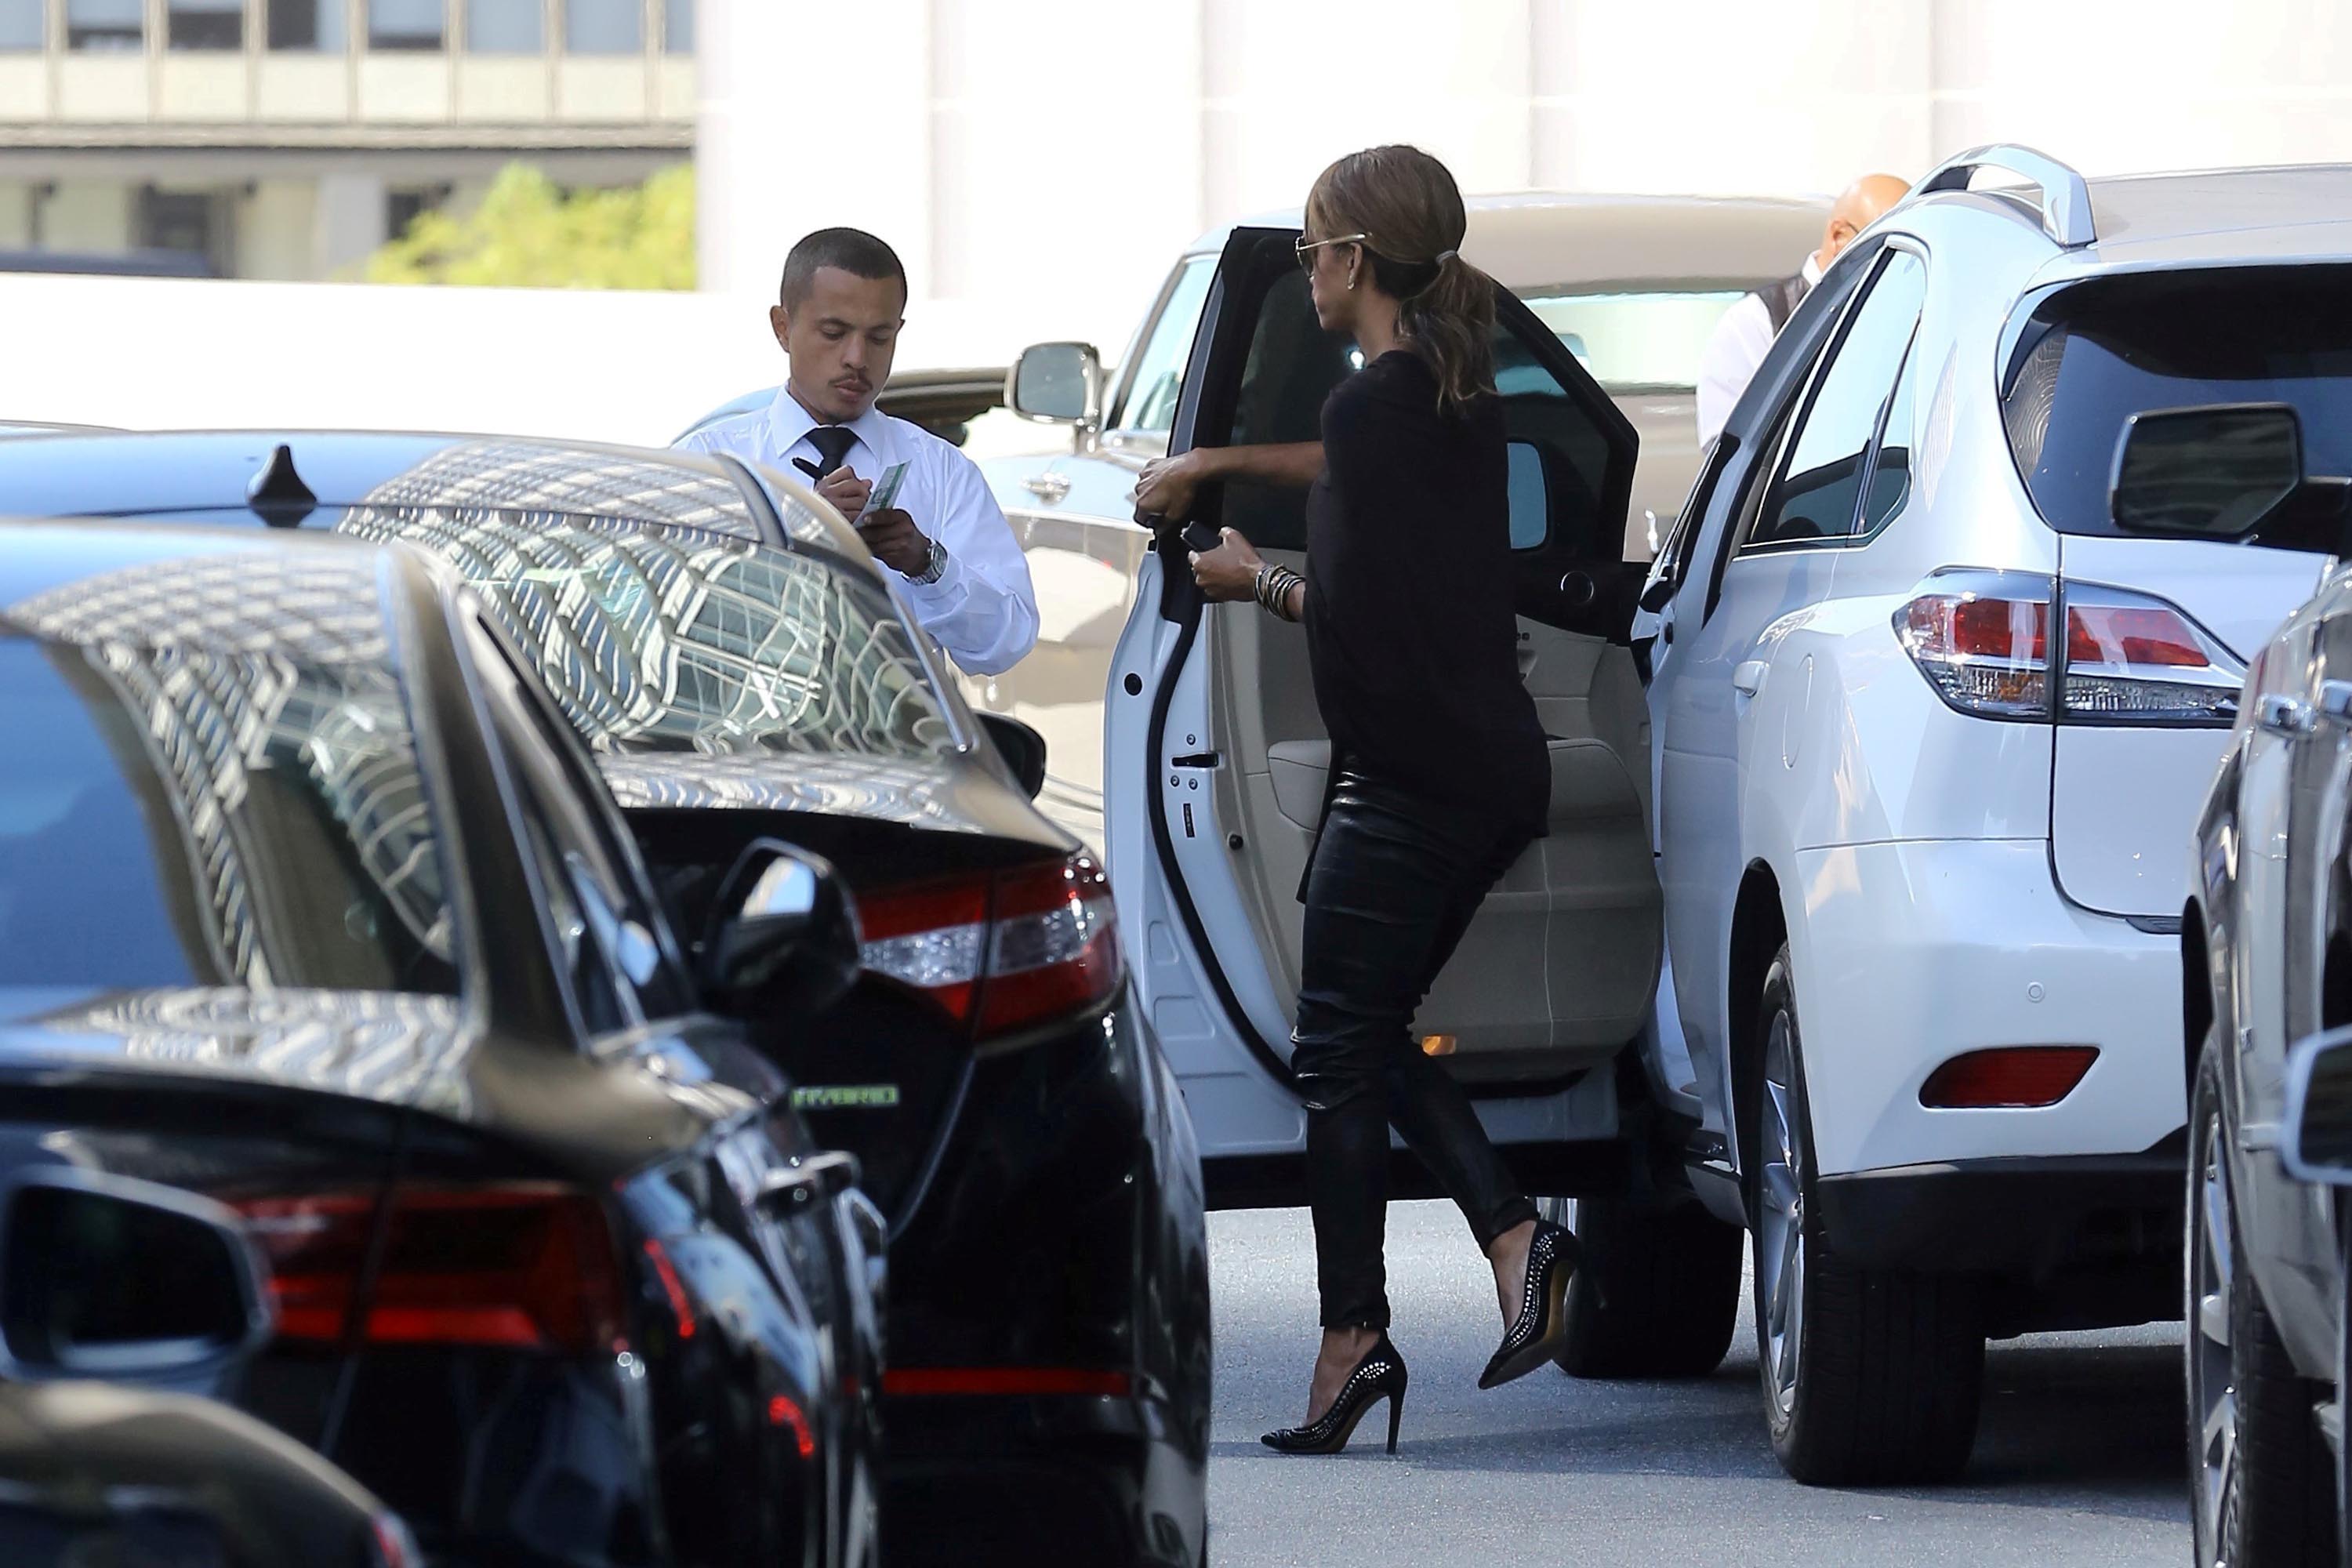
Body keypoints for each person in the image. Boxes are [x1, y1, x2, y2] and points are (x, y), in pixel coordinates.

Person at [1131, 144, 1575, 1457]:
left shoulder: (1376, 411)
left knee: (1338, 1053)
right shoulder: (1451, 398)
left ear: (1357, 262)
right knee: (1363, 1032)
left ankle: (1368, 1329)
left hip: (1410, 783)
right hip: (1484, 772)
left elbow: (1359, 603)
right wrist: (1232, 489)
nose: (1307, 268)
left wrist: (1243, 576)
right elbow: (1381, 559)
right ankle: (1503, 1247)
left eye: (1316, 248)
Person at [678, 227, 1039, 676]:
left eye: (879, 338)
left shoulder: (941, 471)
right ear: (782, 327)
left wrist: (927, 564)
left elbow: (1005, 643)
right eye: (834, 332)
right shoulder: (709, 465)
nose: (856, 357)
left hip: (901, 739)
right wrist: (801, 533)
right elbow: (667, 623)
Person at [1693, 172, 1910, 446]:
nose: (1897, 269)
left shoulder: (1909, 320)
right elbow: (1730, 453)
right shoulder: (1757, 321)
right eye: (1886, 250)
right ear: (1839, 236)